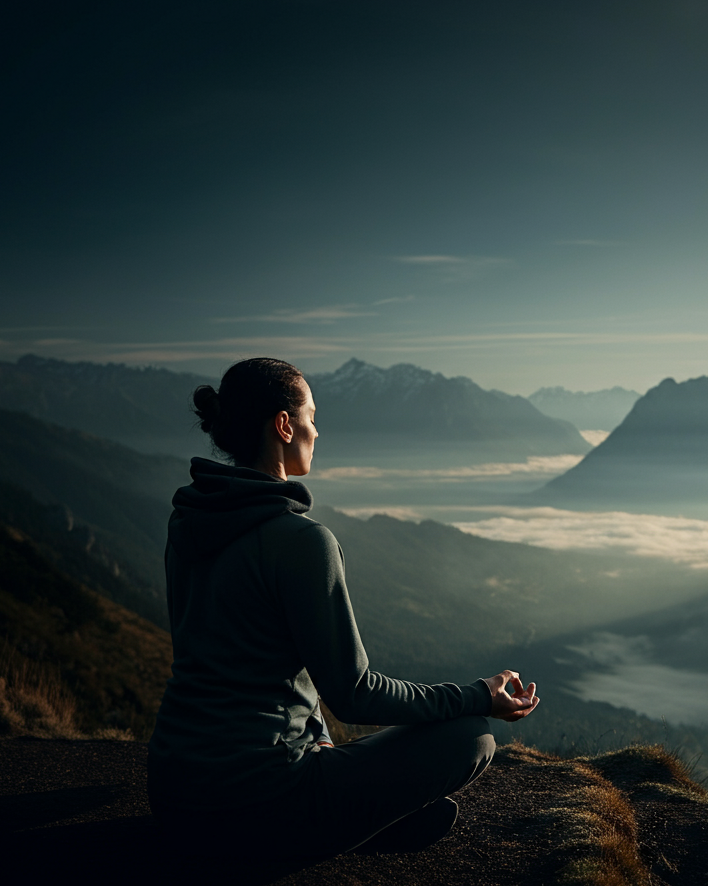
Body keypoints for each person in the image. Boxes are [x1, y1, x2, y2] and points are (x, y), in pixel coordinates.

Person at [147, 357, 539, 857]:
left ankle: (346, 816)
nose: (317, 430)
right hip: (255, 801)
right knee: (471, 738)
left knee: (344, 760)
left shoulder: (186, 525)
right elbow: (354, 692)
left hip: (174, 792)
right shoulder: (301, 541)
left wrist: (317, 736)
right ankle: (332, 828)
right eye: (312, 416)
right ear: (285, 426)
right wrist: (478, 696)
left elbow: (231, 661)